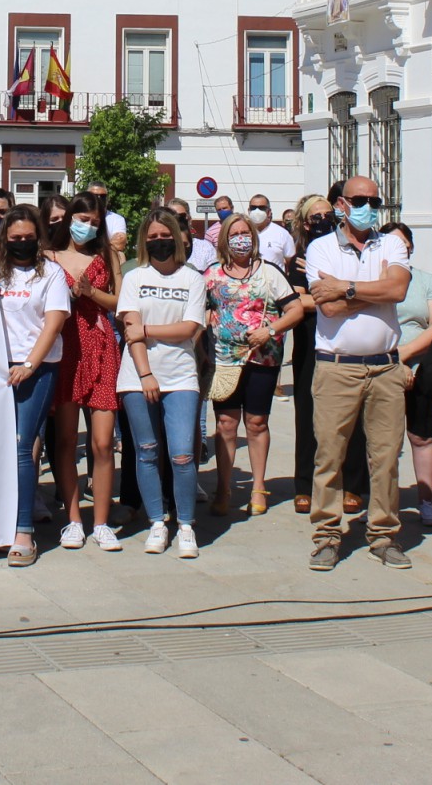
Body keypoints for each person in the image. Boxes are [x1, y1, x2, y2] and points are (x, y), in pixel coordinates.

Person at [304, 174, 413, 571]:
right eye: (359, 199)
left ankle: (384, 534)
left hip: (385, 367)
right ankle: (327, 535)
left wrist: (346, 289)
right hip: (338, 368)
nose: (368, 205)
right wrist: (373, 288)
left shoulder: (393, 243)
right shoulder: (320, 248)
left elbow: (397, 291)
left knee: (385, 457)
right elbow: (326, 307)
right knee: (329, 454)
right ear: (341, 204)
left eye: (374, 199)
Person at [116, 210, 207, 557]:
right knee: (147, 451)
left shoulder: (192, 279)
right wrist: (145, 375)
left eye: (164, 235)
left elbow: (188, 328)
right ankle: (157, 521)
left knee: (182, 454)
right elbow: (131, 330)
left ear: (178, 238)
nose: (158, 242)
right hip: (138, 376)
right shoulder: (135, 277)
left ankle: (185, 525)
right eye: (151, 237)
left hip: (181, 374)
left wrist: (148, 331)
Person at [205, 214, 302, 517]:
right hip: (224, 360)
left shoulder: (269, 273)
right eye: (234, 234)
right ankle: (224, 486)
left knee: (257, 423)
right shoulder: (212, 275)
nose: (241, 239)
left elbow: (295, 309)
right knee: (226, 425)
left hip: (263, 359)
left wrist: (270, 330)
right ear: (224, 240)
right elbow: (199, 310)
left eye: (246, 233)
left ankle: (259, 486)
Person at [0, 206, 70, 565]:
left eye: (28, 238)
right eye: (15, 239)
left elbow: (53, 323)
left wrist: (28, 364)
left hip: (36, 370)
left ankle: (24, 531)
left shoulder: (51, 273)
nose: (22, 244)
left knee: (23, 445)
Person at [44, 193, 121, 549]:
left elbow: (120, 302)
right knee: (63, 440)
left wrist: (91, 292)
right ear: (68, 218)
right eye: (82, 218)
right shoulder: (49, 256)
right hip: (64, 348)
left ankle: (101, 522)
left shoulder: (107, 255)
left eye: (94, 221)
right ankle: (73, 519)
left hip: (101, 346)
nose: (87, 226)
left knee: (103, 442)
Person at [376, 222, 432, 530]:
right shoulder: (372, 276)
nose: (399, 248)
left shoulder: (426, 281)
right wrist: (394, 360)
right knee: (384, 439)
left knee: (421, 435)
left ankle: (426, 500)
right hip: (379, 365)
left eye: (403, 243)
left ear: (411, 247)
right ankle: (383, 502)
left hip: (420, 368)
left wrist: (404, 357)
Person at [285, 193, 335, 514]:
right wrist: (340, 291)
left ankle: (348, 482)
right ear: (305, 222)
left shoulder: (344, 252)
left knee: (345, 417)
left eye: (328, 214)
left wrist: (334, 290)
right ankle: (304, 483)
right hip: (309, 343)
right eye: (316, 216)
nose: (323, 220)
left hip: (343, 342)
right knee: (307, 414)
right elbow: (297, 301)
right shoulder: (299, 258)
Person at [245, 194, 298, 273]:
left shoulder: (282, 234)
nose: (257, 211)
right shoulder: (243, 232)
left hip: (274, 283)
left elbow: (290, 261)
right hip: (250, 282)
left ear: (269, 212)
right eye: (253, 208)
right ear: (249, 211)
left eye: (261, 208)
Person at [167, 198, 220, 272]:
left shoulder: (205, 248)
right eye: (171, 217)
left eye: (180, 217)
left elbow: (215, 275)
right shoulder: (161, 248)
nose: (176, 220)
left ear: (189, 219)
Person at [85, 181, 129, 253]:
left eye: (103, 196)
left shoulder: (116, 219)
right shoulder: (78, 216)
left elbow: (119, 243)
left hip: (106, 258)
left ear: (107, 199)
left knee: (120, 256)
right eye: (95, 196)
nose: (99, 199)